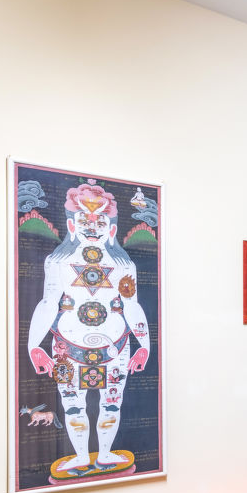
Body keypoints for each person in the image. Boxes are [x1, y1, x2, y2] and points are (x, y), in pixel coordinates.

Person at [27, 179, 151, 475]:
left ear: (111, 229)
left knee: (112, 405)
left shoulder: (124, 265)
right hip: (66, 349)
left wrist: (144, 345)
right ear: (72, 225)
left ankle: (105, 454)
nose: (92, 226)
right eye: (84, 220)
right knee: (72, 407)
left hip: (117, 348)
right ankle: (82, 456)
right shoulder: (57, 261)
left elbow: (132, 306)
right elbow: (47, 304)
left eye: (101, 221)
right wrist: (34, 346)